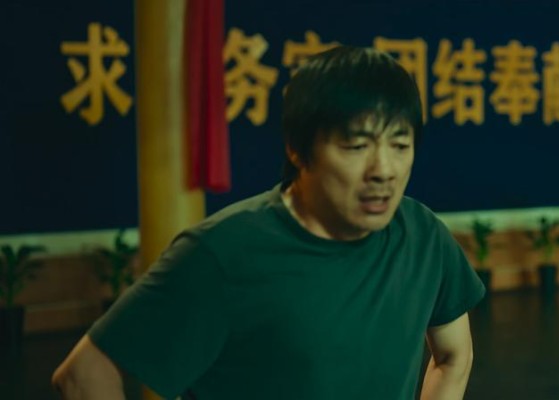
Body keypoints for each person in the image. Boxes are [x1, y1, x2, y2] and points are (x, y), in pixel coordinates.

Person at [52, 46, 485, 399]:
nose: (384, 170)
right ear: (297, 148)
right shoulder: (222, 254)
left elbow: (453, 358)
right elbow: (84, 373)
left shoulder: (423, 235)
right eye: (356, 146)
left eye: (400, 145)